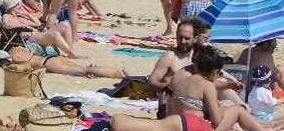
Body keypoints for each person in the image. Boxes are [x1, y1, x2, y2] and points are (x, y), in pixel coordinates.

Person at [111, 45, 275, 131]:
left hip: (177, 121)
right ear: (213, 72)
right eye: (218, 73)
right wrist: (220, 108)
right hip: (196, 127)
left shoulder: (184, 79)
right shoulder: (207, 85)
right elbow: (217, 121)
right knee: (237, 110)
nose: (219, 77)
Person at [148, 20, 199, 117]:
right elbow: (151, 81)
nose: (183, 41)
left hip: (194, 102)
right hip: (172, 104)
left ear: (195, 39)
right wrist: (169, 86)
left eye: (187, 38)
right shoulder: (170, 57)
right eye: (180, 38)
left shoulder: (198, 57)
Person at [9, 45, 127, 79]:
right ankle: (118, 72)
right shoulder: (20, 48)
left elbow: (22, 66)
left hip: (48, 63)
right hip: (54, 58)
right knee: (85, 70)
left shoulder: (13, 54)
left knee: (86, 71)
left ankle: (117, 73)